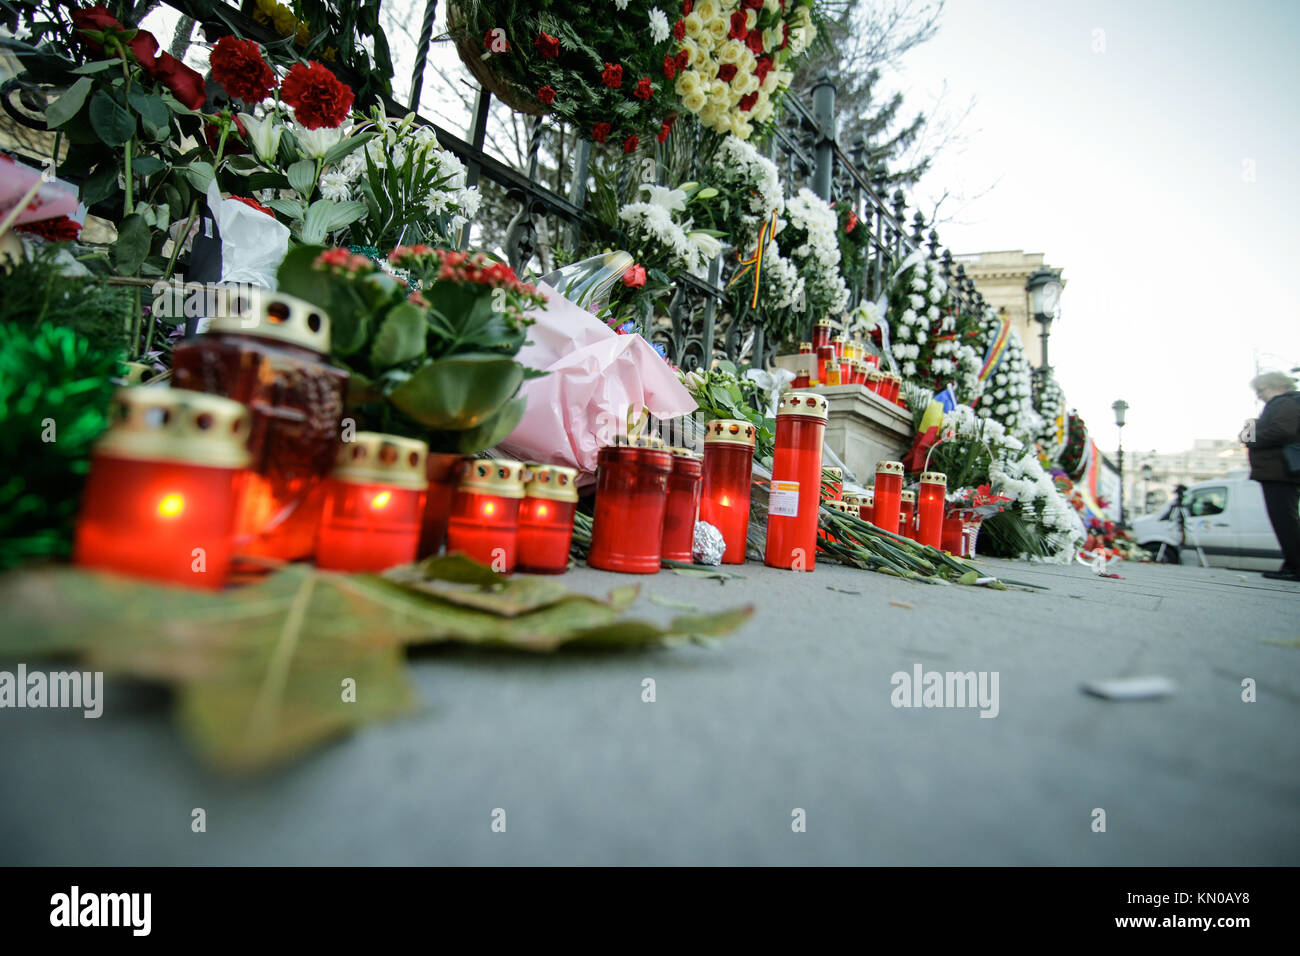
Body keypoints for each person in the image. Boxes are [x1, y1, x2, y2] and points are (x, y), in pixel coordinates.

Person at [1241, 371, 1300, 581]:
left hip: (1281, 472)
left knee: (1285, 520)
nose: (1259, 395)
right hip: (1276, 472)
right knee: (1283, 519)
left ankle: (1296, 566)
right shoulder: (1282, 405)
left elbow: (1283, 431)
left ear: (1277, 386)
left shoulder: (1286, 403)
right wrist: (1250, 427)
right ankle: (1291, 563)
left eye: (1261, 390)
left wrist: (1251, 438)